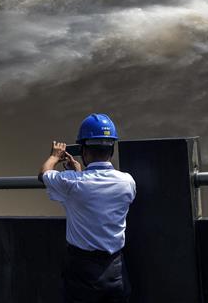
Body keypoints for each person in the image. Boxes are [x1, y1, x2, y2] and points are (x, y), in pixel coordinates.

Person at [38, 113, 137, 303]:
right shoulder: (127, 182)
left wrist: (54, 156)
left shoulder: (72, 183)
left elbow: (43, 175)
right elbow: (96, 190)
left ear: (83, 150)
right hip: (116, 269)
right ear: (112, 149)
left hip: (82, 271)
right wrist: (79, 173)